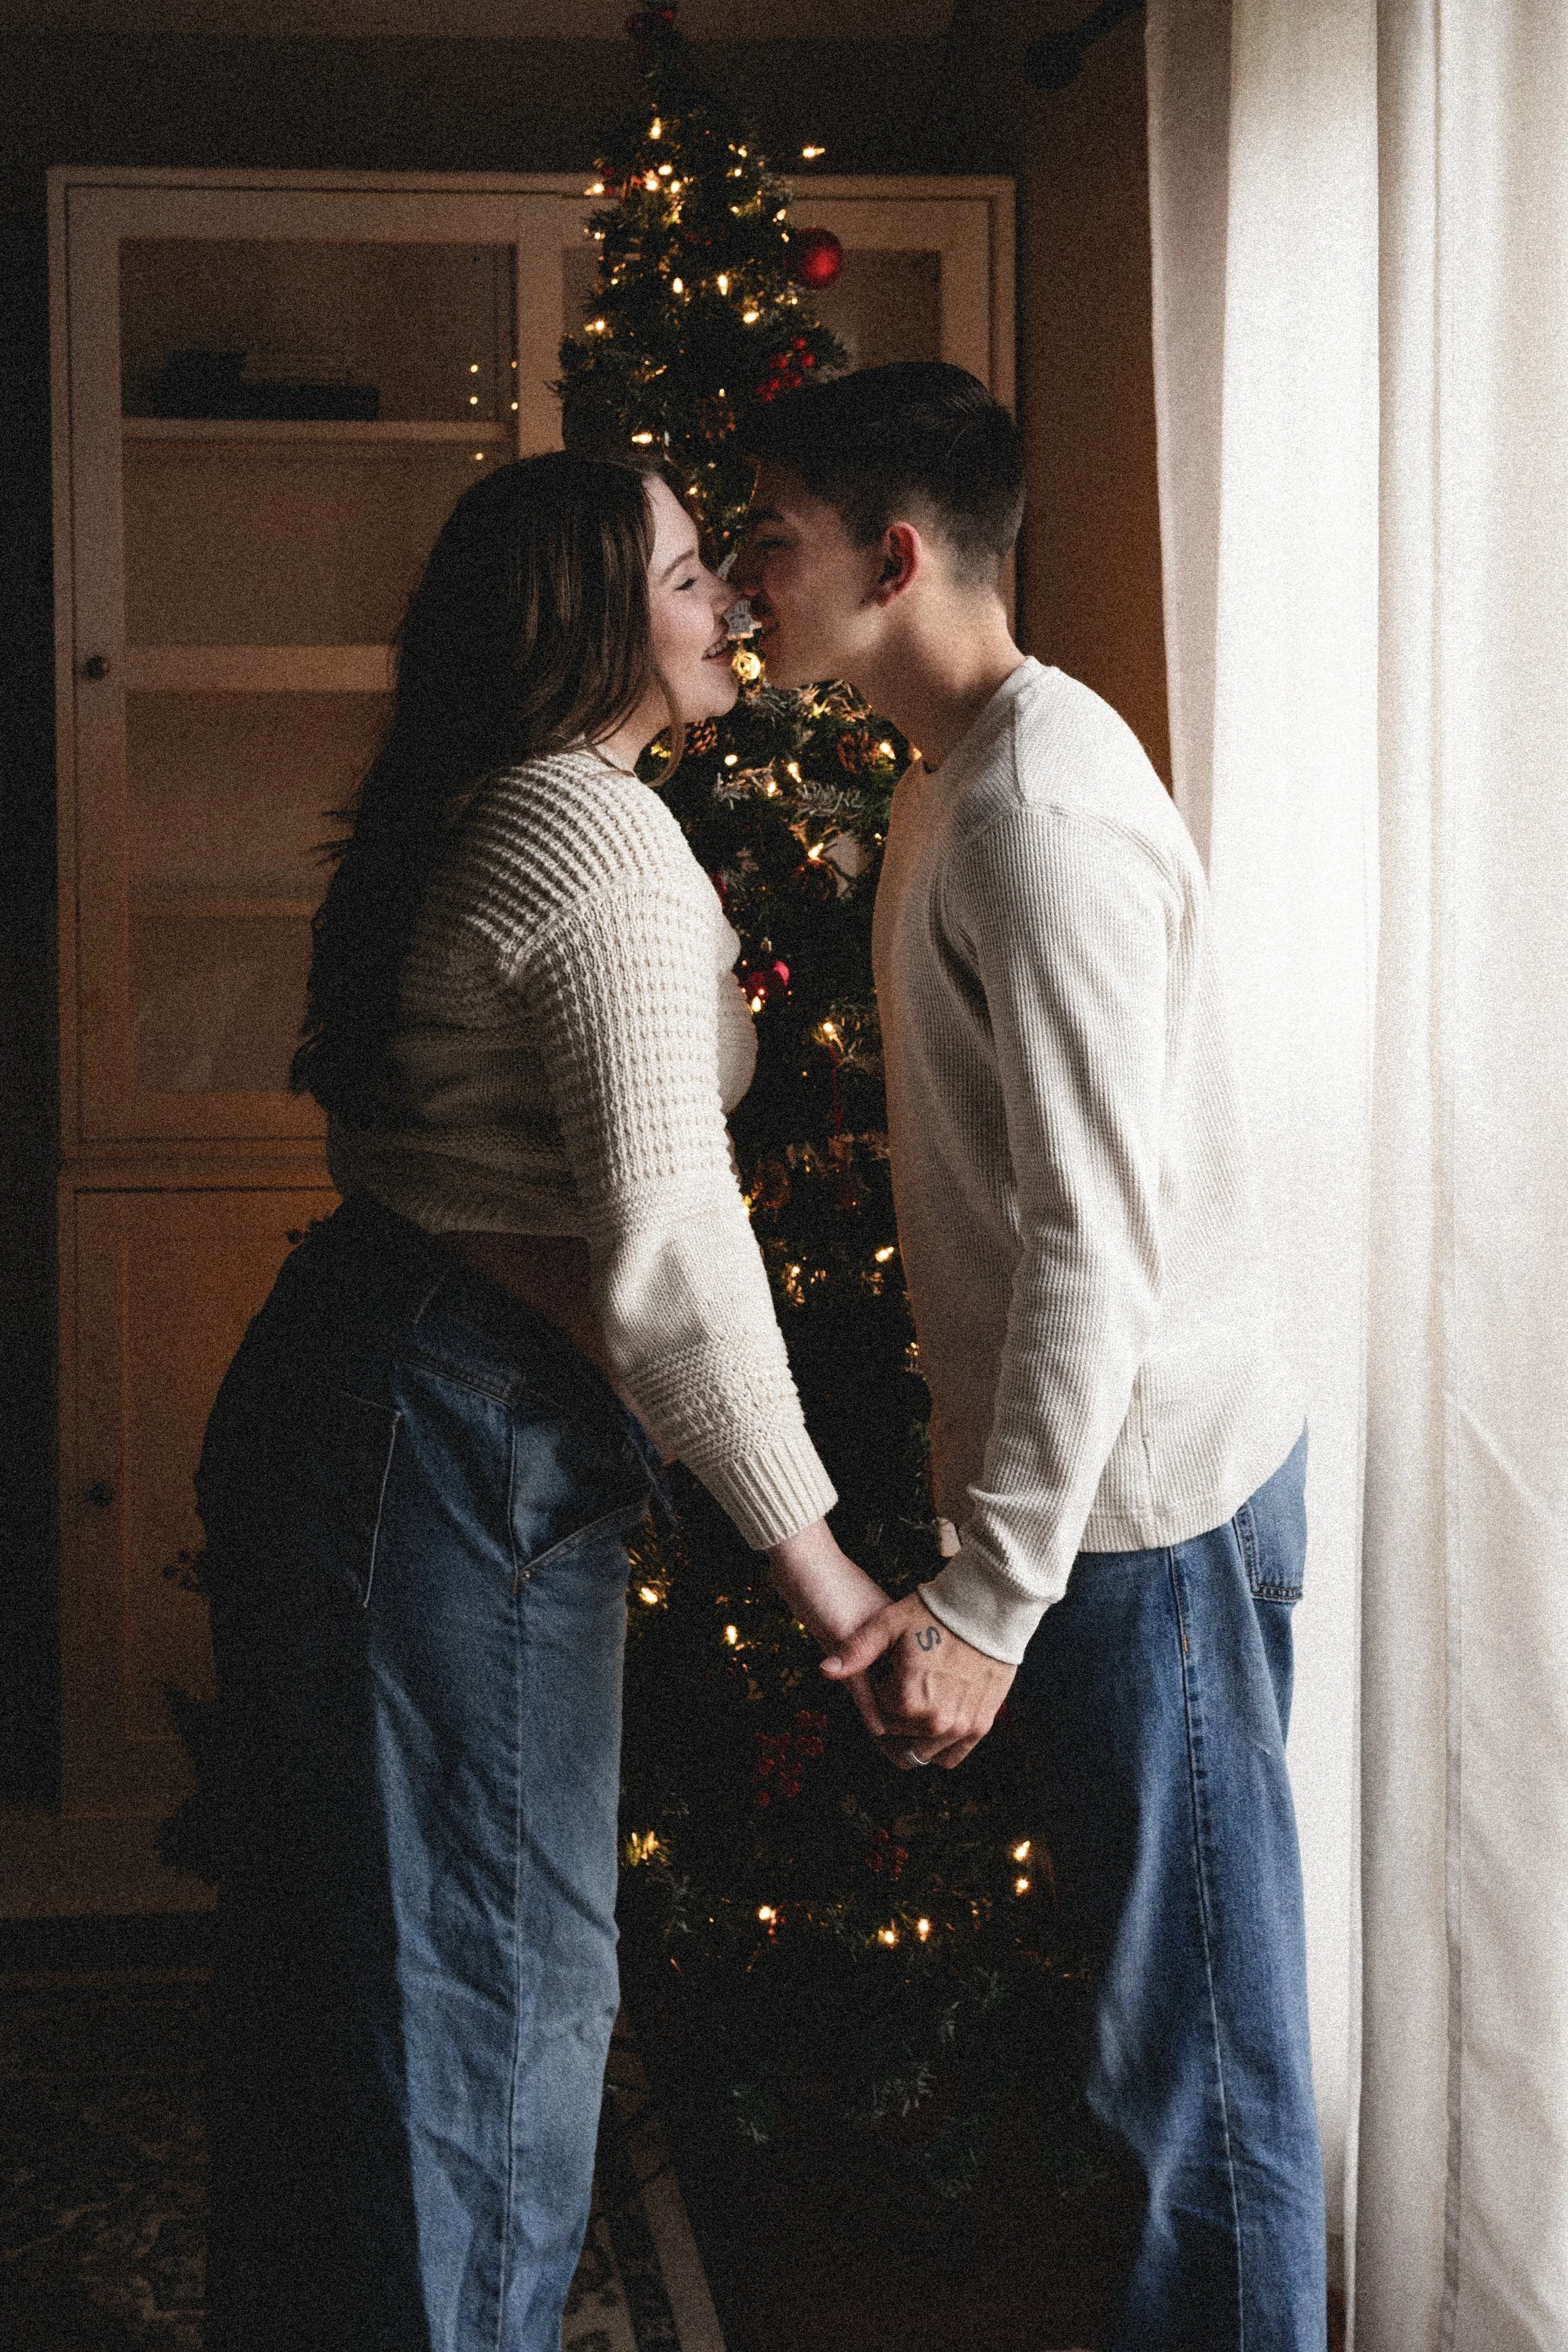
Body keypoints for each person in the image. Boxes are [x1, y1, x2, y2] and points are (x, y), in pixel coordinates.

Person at [195, 450, 890, 2352]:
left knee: (345, 1981)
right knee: (488, 1995)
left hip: (358, 1382)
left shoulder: (476, 811)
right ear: (590, 623)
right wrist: (826, 1576)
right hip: (451, 1438)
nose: (726, 603)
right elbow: (672, 1256)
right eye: (685, 575)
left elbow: (451, 1172)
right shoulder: (595, 847)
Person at [730, 362, 1327, 2352]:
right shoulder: (959, 771)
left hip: (1151, 1520)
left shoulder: (1034, 816)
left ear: (894, 559)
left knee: (1198, 2072)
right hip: (1111, 1517)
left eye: (776, 540)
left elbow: (1094, 1242)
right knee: (1155, 2053)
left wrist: (990, 1601)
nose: (745, 577)